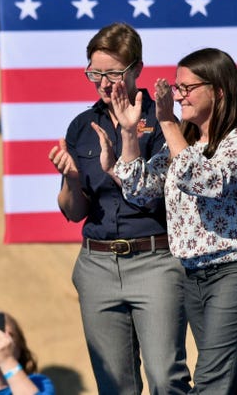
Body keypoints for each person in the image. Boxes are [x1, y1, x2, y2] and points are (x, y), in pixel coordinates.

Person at [47, 22, 191, 394]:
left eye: (113, 73)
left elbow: (155, 192)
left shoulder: (163, 120)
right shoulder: (83, 125)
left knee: (165, 378)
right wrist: (72, 177)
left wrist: (130, 138)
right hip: (97, 266)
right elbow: (73, 211)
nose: (103, 83)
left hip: (155, 261)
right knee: (114, 385)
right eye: (95, 73)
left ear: (137, 69)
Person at [94, 47, 237, 394]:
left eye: (185, 88)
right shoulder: (185, 142)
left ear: (218, 90)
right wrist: (129, 134)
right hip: (193, 276)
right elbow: (140, 189)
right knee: (230, 382)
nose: (177, 96)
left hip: (232, 273)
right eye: (175, 88)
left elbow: (204, 180)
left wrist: (166, 122)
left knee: (210, 383)